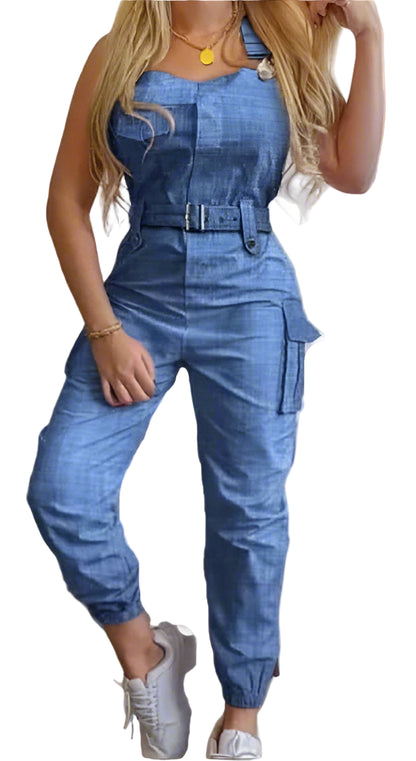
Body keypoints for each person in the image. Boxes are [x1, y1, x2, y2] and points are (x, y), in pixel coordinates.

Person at [26, 1, 385, 759]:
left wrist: (371, 37)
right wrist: (105, 330)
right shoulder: (118, 52)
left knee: (247, 511)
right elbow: (64, 202)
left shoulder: (283, 47)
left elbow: (352, 172)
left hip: (250, 289)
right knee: (63, 487)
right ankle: (145, 652)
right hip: (138, 296)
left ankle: (242, 716)